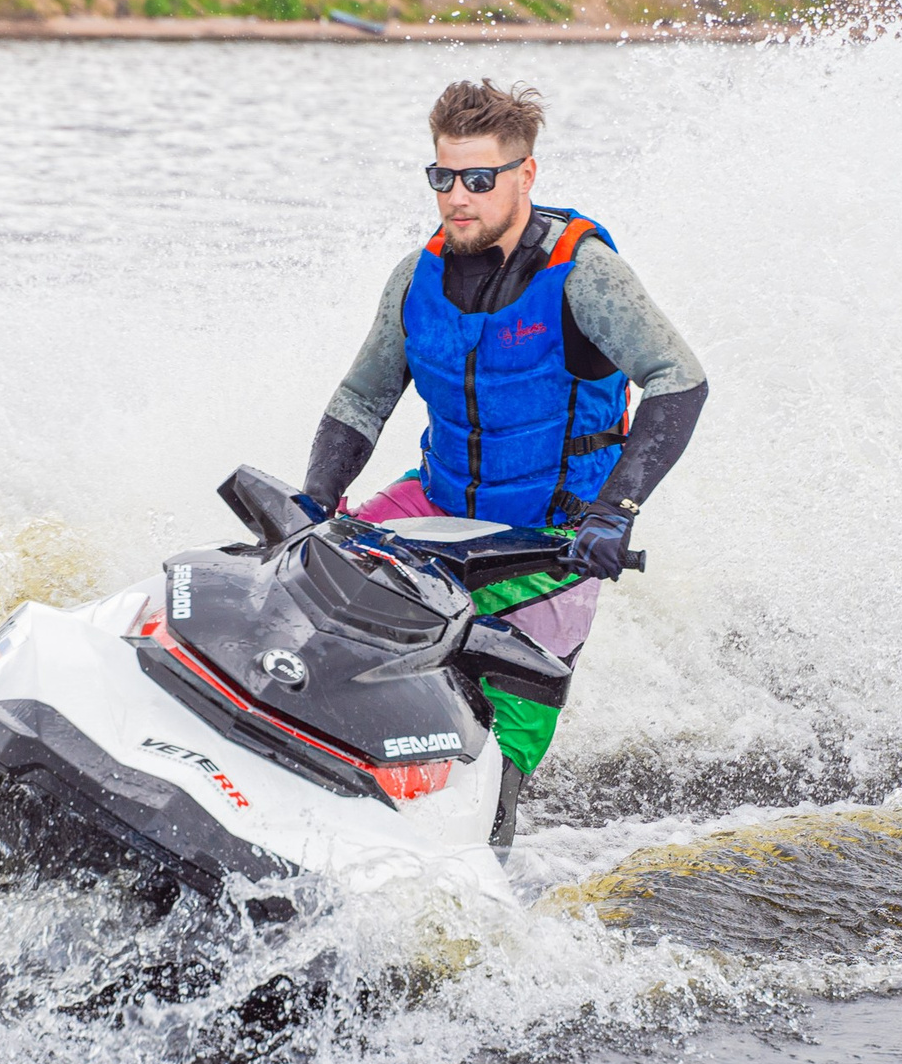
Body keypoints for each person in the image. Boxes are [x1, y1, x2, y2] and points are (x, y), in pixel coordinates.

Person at [300, 79, 708, 840]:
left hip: (552, 538)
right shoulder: (415, 277)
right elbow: (361, 399)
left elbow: (679, 381)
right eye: (444, 177)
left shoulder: (583, 275)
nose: (458, 198)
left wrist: (615, 512)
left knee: (498, 746)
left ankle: (476, 859)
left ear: (525, 175)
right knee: (300, 588)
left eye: (480, 179)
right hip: (437, 504)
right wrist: (314, 498)